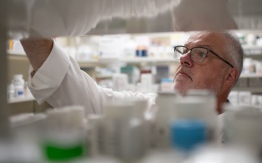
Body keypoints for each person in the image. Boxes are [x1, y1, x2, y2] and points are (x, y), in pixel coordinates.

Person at [21, 31, 243, 115]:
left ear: (229, 76)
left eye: (201, 53)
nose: (184, 59)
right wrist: (30, 24)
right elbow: (76, 91)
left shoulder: (249, 137)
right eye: (184, 51)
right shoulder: (146, 107)